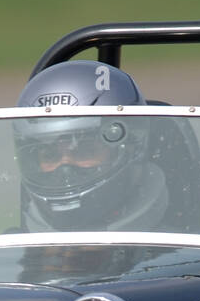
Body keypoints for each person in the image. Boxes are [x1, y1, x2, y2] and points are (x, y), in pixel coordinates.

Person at [14, 61, 176, 232]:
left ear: (129, 149)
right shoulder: (10, 246)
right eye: (50, 156)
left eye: (84, 151)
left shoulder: (175, 246)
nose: (65, 170)